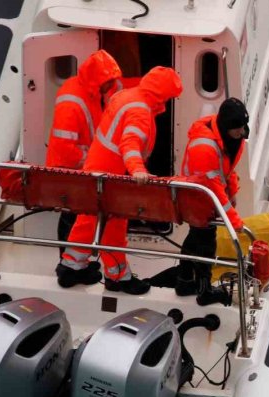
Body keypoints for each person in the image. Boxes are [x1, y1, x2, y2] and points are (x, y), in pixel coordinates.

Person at [56, 66, 184, 295]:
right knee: (114, 227)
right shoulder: (141, 111)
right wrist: (137, 171)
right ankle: (118, 277)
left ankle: (71, 268)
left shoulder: (126, 96)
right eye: (171, 96)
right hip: (113, 179)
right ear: (162, 94)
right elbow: (130, 142)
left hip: (96, 170)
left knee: (87, 221)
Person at [45, 50, 123, 248]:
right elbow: (65, 149)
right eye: (109, 80)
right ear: (98, 80)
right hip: (69, 171)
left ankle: (75, 262)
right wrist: (93, 160)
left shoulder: (90, 91)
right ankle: (67, 262)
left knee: (79, 217)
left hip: (82, 169)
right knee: (71, 218)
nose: (112, 85)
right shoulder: (71, 104)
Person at [176, 98, 248, 305]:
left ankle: (184, 281)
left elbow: (227, 169)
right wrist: (234, 221)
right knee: (206, 242)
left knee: (194, 239)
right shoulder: (205, 148)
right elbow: (213, 186)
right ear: (226, 127)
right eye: (237, 128)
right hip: (197, 198)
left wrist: (233, 191)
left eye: (243, 126)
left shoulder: (226, 136)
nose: (241, 132)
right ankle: (204, 290)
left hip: (204, 195)